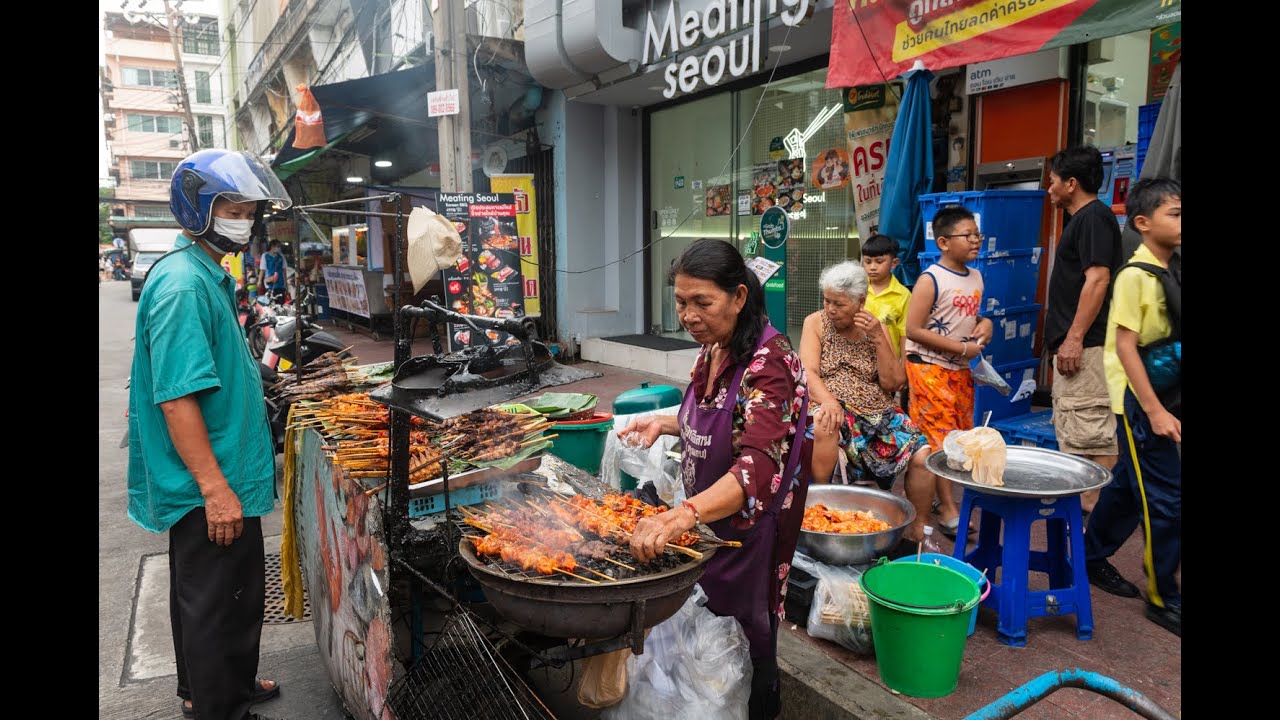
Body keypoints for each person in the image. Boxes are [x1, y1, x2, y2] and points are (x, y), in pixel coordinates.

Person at [617, 239, 821, 720]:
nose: (688, 315)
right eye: (681, 303)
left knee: (752, 637)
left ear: (739, 297)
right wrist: (666, 423)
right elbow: (718, 417)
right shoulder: (712, 349)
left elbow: (757, 467)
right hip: (711, 524)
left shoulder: (770, 363)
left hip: (752, 533)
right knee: (710, 635)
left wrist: (681, 515)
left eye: (702, 303)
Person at [127, 149, 291, 720]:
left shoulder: (204, 272)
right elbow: (176, 398)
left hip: (227, 472)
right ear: (198, 209)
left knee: (216, 596)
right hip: (210, 482)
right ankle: (221, 709)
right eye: (234, 206)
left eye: (249, 208)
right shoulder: (182, 287)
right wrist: (215, 489)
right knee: (216, 601)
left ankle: (215, 688)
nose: (245, 218)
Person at [1084, 177, 1181, 637]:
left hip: (1165, 396)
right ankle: (1164, 596)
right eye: (1175, 213)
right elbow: (1126, 348)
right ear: (1142, 223)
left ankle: (1090, 554)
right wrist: (1155, 411)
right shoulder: (1134, 277)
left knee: (1128, 483)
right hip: (1143, 403)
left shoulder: (1172, 269)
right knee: (1166, 500)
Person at [799, 261, 933, 543]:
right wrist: (830, 401)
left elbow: (894, 382)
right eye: (827, 300)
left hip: (878, 410)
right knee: (825, 423)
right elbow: (808, 372)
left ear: (860, 301)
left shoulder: (876, 327)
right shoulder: (816, 323)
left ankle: (918, 528)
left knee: (923, 455)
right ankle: (819, 509)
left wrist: (878, 338)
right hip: (831, 402)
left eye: (839, 303)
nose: (831, 309)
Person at [903, 205, 994, 538]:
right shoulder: (930, 279)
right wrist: (960, 349)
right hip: (929, 368)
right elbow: (912, 329)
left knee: (959, 437)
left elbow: (974, 316)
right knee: (939, 440)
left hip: (961, 369)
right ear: (943, 242)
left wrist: (987, 325)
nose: (975, 241)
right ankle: (948, 508)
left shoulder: (976, 276)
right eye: (967, 235)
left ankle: (944, 501)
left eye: (977, 235)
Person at [1045, 146, 1123, 513]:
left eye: (1054, 181)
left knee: (1089, 448)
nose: (1049, 188)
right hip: (1079, 351)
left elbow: (1098, 279)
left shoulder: (1093, 217)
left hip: (1088, 350)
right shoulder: (1084, 220)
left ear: (1072, 183)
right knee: (1077, 442)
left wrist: (1073, 339)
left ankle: (1087, 547)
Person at [860, 234, 911, 360]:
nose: (872, 267)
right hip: (858, 360)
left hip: (888, 362)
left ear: (894, 263)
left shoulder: (903, 295)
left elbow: (905, 335)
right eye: (867, 261)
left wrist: (902, 369)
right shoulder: (857, 288)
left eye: (879, 261)